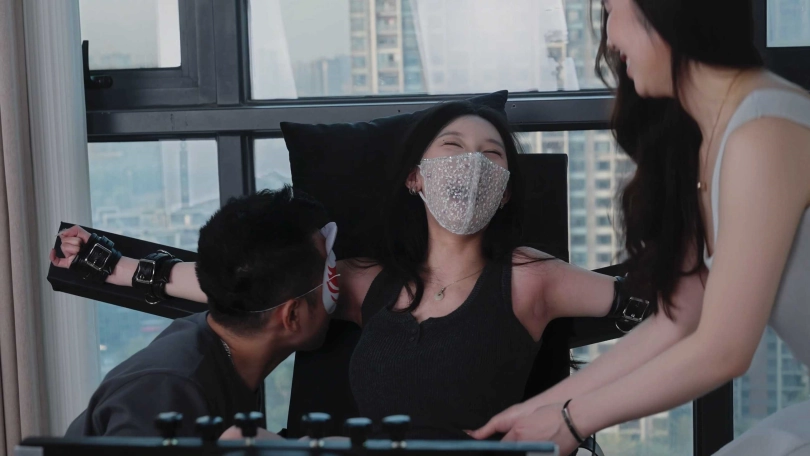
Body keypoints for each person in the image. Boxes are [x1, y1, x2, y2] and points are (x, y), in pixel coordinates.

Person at [54, 101, 660, 442]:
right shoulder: (369, 280)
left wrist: (571, 416)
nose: (472, 164)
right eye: (453, 148)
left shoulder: (531, 276)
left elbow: (648, 304)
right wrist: (117, 265)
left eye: (492, 155)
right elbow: (246, 282)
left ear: (504, 192)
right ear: (416, 177)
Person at [471, 0, 810, 454]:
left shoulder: (763, 132)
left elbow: (725, 348)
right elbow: (679, 319)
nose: (610, 38)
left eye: (612, 9)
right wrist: (535, 411)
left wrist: (572, 421)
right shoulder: (712, 138)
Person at [56, 187, 336, 437]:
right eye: (331, 277)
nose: (339, 282)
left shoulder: (225, 330)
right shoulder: (167, 396)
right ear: (292, 316)